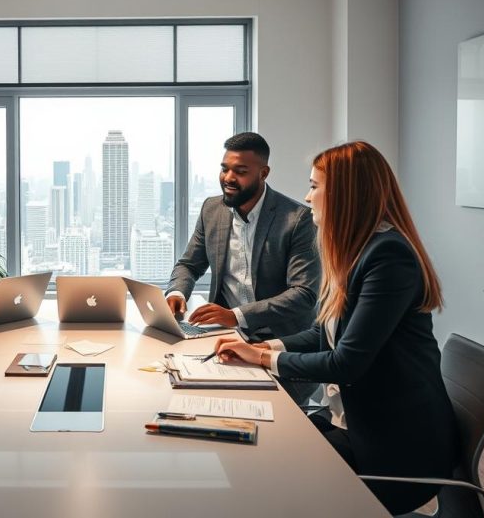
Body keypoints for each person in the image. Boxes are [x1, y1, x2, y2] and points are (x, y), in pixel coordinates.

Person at [212, 141, 459, 514]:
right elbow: (324, 334)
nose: (307, 198)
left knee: (264, 480)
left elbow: (346, 362)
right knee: (258, 449)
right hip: (357, 425)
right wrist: (264, 349)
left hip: (396, 452)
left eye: (314, 185)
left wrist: (262, 359)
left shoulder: (388, 257)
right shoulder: (359, 250)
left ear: (345, 195)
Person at [164, 131, 320, 403]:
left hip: (281, 344)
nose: (228, 178)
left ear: (263, 173)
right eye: (224, 169)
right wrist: (177, 294)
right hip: (225, 341)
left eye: (240, 171)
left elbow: (304, 293)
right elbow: (189, 264)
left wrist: (235, 315)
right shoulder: (212, 209)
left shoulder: (297, 219)